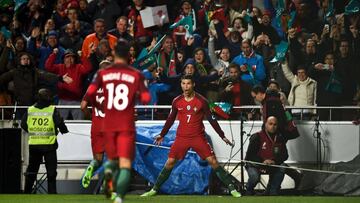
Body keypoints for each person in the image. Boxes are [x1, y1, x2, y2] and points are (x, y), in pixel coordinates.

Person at [141, 75, 241, 198]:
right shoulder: (177, 101)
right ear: (181, 85)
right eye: (183, 83)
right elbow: (170, 119)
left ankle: (232, 189)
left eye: (188, 83)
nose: (185, 86)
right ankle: (154, 189)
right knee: (170, 162)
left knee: (213, 161)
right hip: (182, 137)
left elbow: (212, 120)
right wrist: (162, 134)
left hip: (198, 137)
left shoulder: (202, 101)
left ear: (193, 85)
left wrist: (222, 136)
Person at [83, 41, 151, 203]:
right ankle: (119, 198)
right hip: (126, 124)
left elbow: (90, 94)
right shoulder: (136, 74)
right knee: (125, 164)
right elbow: (146, 99)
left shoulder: (102, 74)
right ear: (129, 55)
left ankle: (107, 174)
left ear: (113, 54)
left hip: (107, 124)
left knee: (112, 160)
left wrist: (101, 105)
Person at [21, 88, 69, 194]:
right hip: (49, 146)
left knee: (32, 171)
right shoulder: (52, 110)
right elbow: (60, 123)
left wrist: (33, 130)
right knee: (51, 172)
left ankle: (27, 193)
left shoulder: (30, 110)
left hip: (34, 145)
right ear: (48, 98)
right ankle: (52, 194)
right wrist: (64, 130)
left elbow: (23, 124)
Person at [80, 60, 112, 189]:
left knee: (98, 159)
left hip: (97, 125)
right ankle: (107, 185)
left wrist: (90, 117)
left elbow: (82, 106)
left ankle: (91, 166)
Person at [245, 116, 288, 195]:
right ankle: (248, 189)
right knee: (255, 177)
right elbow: (249, 156)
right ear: (265, 124)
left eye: (275, 124)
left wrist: (274, 161)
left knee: (282, 166)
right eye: (270, 124)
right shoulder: (256, 136)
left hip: (272, 164)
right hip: (255, 164)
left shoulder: (280, 138)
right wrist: (262, 161)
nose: (273, 126)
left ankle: (272, 191)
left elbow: (285, 155)